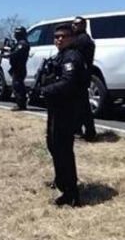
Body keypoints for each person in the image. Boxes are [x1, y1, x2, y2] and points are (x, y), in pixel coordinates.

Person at [34, 24, 87, 207]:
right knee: (54, 146)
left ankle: (71, 193)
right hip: (57, 107)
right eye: (56, 36)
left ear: (72, 38)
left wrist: (45, 90)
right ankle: (61, 181)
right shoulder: (60, 56)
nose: (59, 39)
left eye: (63, 36)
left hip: (67, 109)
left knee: (62, 149)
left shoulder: (72, 56)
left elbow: (69, 82)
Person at [71, 16, 97, 141]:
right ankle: (86, 131)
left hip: (80, 76)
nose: (73, 26)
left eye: (76, 24)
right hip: (82, 75)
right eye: (73, 24)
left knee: (80, 106)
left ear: (83, 25)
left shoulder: (82, 40)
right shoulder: (81, 39)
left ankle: (82, 131)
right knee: (81, 105)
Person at [3, 26, 30, 111]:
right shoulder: (19, 43)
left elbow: (16, 53)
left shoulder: (23, 44)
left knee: (18, 85)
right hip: (16, 67)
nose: (15, 35)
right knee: (17, 85)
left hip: (19, 68)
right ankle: (20, 103)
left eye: (16, 33)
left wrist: (7, 55)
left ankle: (21, 104)